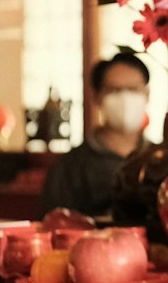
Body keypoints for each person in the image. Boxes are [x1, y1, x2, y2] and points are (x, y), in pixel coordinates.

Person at [39, 53, 151, 218]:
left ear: (147, 94)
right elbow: (54, 225)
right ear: (97, 97)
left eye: (133, 89)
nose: (125, 98)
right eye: (114, 90)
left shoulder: (160, 159)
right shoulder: (70, 167)